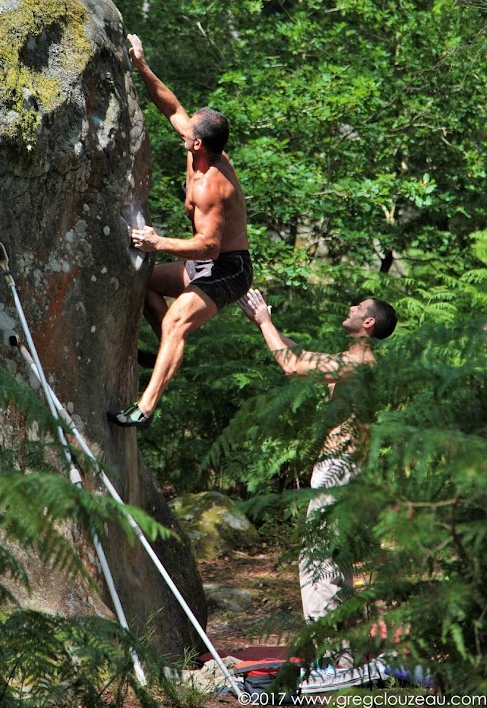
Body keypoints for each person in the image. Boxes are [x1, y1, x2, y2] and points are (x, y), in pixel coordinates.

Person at [238, 288, 397, 682]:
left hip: (339, 469)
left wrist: (264, 321)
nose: (350, 308)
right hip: (345, 470)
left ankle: (331, 658)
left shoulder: (358, 363)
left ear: (368, 323)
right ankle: (342, 656)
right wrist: (266, 325)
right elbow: (302, 354)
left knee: (319, 562)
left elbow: (292, 367)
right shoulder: (355, 360)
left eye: (357, 308)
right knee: (334, 563)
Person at [108, 34, 253, 429]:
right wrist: (141, 64)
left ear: (200, 143)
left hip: (229, 269)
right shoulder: (200, 148)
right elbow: (170, 106)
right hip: (207, 261)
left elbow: (208, 246)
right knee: (144, 281)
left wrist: (157, 242)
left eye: (190, 131)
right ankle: (164, 355)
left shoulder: (213, 185)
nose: (183, 130)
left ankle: (145, 408)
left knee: (176, 322)